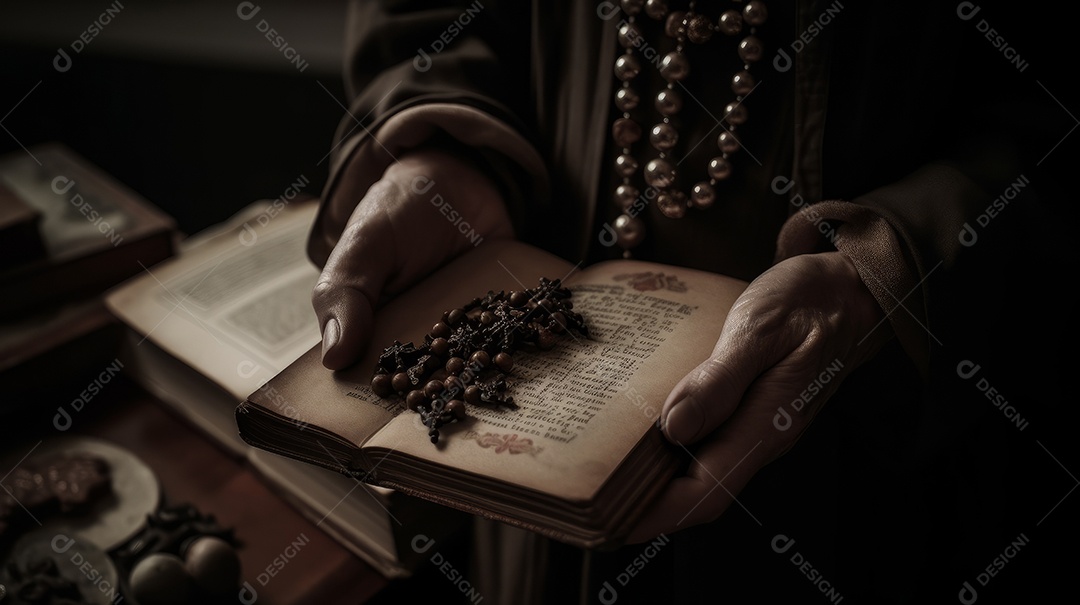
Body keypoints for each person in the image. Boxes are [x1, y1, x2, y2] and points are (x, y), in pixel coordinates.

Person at [309, 1, 1073, 602]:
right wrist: (442, 146)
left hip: (867, 465)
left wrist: (886, 270)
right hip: (534, 484)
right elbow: (426, 15)